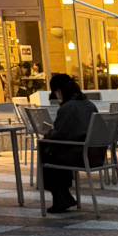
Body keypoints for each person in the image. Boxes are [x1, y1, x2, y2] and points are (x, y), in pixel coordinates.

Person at [39, 73, 104, 213]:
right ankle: (65, 194)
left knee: (45, 150)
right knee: (55, 152)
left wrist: (48, 134)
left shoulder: (67, 108)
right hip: (96, 154)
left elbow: (60, 135)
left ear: (58, 91)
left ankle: (59, 196)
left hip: (80, 156)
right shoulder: (89, 104)